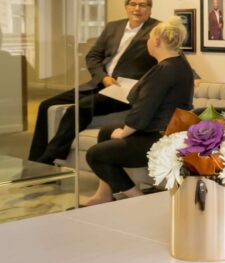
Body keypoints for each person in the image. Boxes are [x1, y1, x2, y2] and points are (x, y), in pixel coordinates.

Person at [29, 0, 159, 165]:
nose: (137, 8)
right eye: (132, 3)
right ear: (126, 7)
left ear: (150, 9)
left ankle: (48, 158)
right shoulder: (114, 27)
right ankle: (34, 162)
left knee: (81, 107)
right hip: (100, 83)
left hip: (124, 90)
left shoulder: (157, 29)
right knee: (46, 105)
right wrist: (103, 77)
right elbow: (93, 56)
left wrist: (193, 76)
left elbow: (171, 55)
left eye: (143, 5)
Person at [81, 17, 195, 206]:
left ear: (157, 41)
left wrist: (125, 132)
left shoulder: (165, 70)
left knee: (95, 154)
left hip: (159, 138)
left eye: (149, 38)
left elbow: (144, 108)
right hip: (167, 131)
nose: (147, 42)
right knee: (105, 132)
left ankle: (138, 200)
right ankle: (103, 193)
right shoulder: (179, 65)